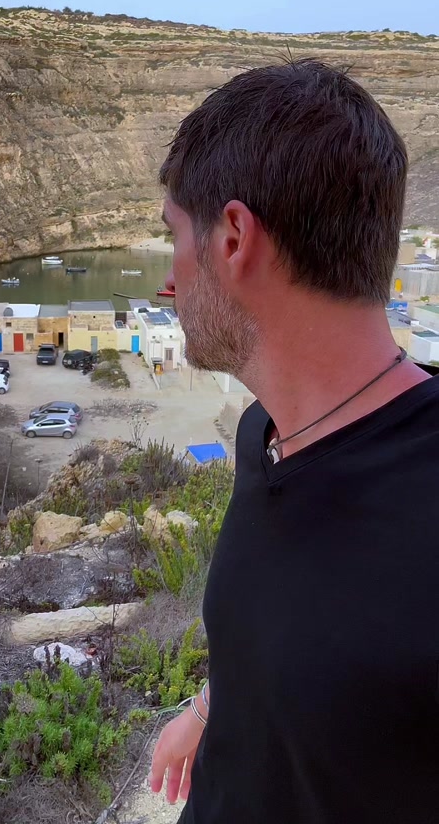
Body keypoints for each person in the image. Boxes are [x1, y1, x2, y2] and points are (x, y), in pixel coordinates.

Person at [149, 60, 439, 823]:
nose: (166, 285)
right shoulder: (265, 435)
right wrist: (214, 711)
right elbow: (297, 630)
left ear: (235, 237)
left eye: (175, 239)